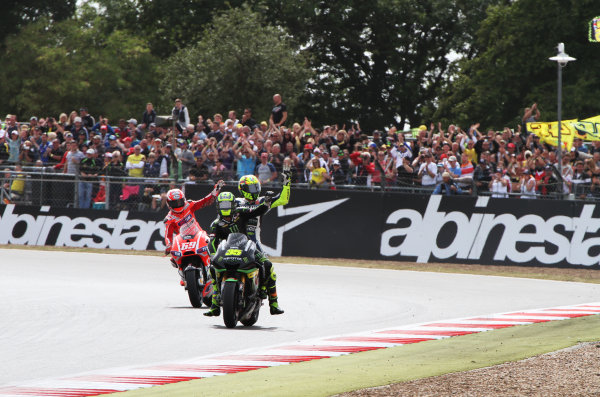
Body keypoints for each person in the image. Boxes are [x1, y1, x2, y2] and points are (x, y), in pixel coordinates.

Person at [205, 191, 283, 317]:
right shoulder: (215, 224)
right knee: (212, 269)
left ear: (233, 205)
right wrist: (213, 255)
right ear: (218, 206)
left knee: (268, 265)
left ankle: (273, 303)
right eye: (222, 205)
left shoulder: (241, 213)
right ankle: (215, 304)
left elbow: (257, 211)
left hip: (247, 247)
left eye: (227, 205)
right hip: (226, 251)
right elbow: (212, 242)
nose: (225, 208)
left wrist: (266, 204)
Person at [163, 180, 224, 258]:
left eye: (180, 202)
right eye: (174, 203)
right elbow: (168, 235)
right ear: (169, 203)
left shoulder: (189, 205)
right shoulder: (168, 219)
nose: (178, 205)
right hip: (183, 242)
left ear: (183, 199)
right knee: (174, 259)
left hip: (199, 236)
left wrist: (215, 191)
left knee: (213, 248)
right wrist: (169, 245)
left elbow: (204, 201)